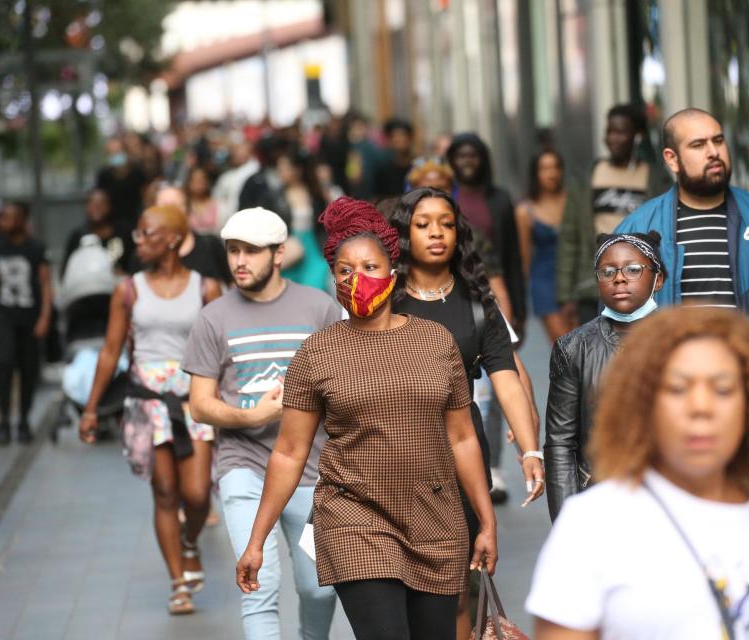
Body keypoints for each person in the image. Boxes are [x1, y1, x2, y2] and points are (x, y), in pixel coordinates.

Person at [235, 196, 499, 640]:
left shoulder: (436, 342)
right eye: (344, 271)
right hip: (354, 518)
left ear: (392, 273)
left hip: (435, 518)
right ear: (333, 280)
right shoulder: (317, 353)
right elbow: (290, 450)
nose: (357, 279)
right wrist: (257, 540)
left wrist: (485, 519)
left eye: (370, 268)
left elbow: (462, 439)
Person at [527, 306, 749, 639]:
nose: (701, 407)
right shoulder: (592, 525)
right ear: (643, 403)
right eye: (678, 388)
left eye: (723, 389)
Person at [388, 189, 545, 638]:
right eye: (422, 224)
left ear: (459, 233)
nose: (436, 232)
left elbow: (507, 378)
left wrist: (530, 449)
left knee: (455, 588)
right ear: (404, 234)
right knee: (398, 588)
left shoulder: (477, 303)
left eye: (446, 223)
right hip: (391, 454)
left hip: (460, 454)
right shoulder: (385, 301)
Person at [185, 207, 340, 639]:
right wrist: (255, 416)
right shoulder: (213, 317)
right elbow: (200, 405)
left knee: (320, 588)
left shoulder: (319, 308)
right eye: (233, 251)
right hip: (244, 468)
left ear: (278, 254)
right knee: (259, 585)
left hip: (313, 473)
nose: (239, 261)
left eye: (251, 251)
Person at [615, 108, 749, 396]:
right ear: (671, 159)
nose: (714, 152)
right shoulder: (637, 231)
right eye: (698, 145)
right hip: (674, 400)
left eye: (718, 141)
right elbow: (617, 335)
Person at [79, 204, 222, 615]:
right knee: (164, 492)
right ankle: (178, 582)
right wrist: (91, 409)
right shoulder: (128, 290)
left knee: (196, 495)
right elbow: (110, 351)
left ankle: (189, 540)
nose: (137, 240)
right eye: (137, 234)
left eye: (147, 233)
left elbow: (219, 351)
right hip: (147, 401)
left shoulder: (206, 288)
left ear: (173, 240)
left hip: (193, 401)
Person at [544, 232, 666, 522]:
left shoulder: (684, 344)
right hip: (601, 505)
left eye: (633, 269)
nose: (619, 278)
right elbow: (560, 442)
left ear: (658, 280)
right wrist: (568, 525)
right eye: (607, 271)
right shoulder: (573, 347)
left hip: (669, 505)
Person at [557, 104, 669, 326]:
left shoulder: (655, 179)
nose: (613, 138)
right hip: (593, 286)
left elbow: (666, 234)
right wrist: (566, 295)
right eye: (609, 132)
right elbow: (570, 238)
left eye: (621, 132)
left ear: (637, 136)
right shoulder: (587, 178)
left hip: (641, 288)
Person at [0, 201, 52, 445]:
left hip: (30, 317)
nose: (5, 222)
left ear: (23, 219)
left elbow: (45, 283)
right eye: (3, 217)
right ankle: (4, 418)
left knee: (28, 370)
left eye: (11, 217)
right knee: (4, 364)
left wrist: (45, 317)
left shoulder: (35, 248)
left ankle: (23, 419)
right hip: (4, 315)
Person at [446, 133, 525, 336]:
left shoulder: (500, 199)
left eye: (473, 155)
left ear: (483, 159)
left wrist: (520, 310)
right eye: (461, 156)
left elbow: (512, 256)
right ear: (452, 160)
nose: (467, 161)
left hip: (494, 289)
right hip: (453, 291)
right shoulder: (442, 198)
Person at [515, 150, 571, 343]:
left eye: (555, 167)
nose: (551, 173)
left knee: (585, 344)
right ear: (535, 173)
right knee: (563, 345)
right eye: (545, 168)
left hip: (573, 278)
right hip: (544, 281)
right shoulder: (525, 210)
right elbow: (525, 258)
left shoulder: (572, 201)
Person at [152, 184, 232, 285]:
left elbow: (232, 284)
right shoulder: (144, 255)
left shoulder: (211, 246)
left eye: (175, 206)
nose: (170, 213)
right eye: (164, 207)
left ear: (188, 210)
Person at [273, 150, 329, 291]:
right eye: (279, 169)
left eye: (285, 168)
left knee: (315, 286)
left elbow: (324, 225)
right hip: (289, 247)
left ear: (297, 170)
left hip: (313, 245)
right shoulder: (275, 197)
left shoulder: (315, 194)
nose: (281, 173)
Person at [62, 187, 135, 276]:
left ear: (109, 205)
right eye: (92, 203)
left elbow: (134, 266)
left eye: (101, 203)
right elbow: (66, 271)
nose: (97, 207)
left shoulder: (123, 233)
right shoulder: (77, 236)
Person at [96, 136, 146, 232]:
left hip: (134, 222)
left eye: (118, 152)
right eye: (111, 153)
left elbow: (144, 198)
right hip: (111, 225)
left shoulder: (137, 173)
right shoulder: (104, 175)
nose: (115, 156)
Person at [374, 117, 415, 199]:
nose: (399, 140)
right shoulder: (383, 168)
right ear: (390, 141)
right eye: (395, 136)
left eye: (402, 135)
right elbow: (378, 196)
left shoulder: (419, 165)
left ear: (410, 138)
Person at [184, 165, 221, 235]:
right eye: (195, 180)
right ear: (189, 182)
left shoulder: (218, 205)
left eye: (202, 179)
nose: (199, 183)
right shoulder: (183, 205)